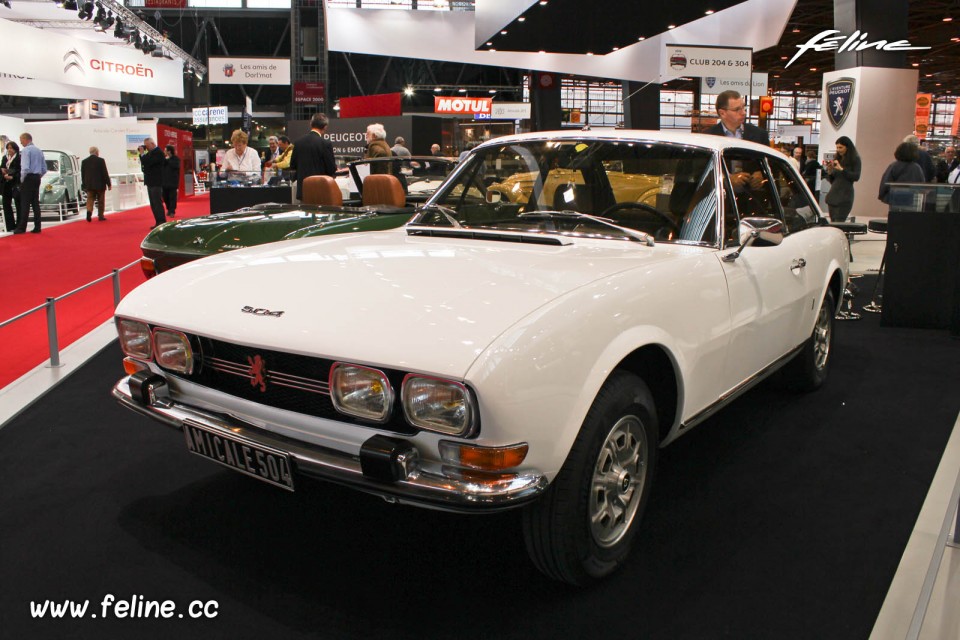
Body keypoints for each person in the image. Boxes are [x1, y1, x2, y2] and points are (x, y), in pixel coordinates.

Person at [289, 112, 337, 201]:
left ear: (310, 124)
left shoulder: (298, 142)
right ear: (325, 127)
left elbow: (292, 165)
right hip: (321, 189)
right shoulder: (325, 144)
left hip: (303, 191)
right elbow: (331, 168)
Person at [705, 90, 770, 146]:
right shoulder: (708, 137)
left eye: (743, 107)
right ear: (722, 113)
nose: (743, 113)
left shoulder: (760, 135)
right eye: (737, 109)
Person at [878, 142, 925, 212]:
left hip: (896, 198)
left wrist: (882, 195)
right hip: (913, 199)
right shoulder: (917, 168)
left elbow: (885, 182)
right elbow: (922, 184)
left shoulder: (893, 166)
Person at [823, 135, 861, 222]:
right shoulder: (838, 159)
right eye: (837, 147)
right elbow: (833, 181)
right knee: (833, 223)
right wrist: (830, 172)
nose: (838, 150)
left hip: (844, 196)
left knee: (839, 223)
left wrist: (842, 169)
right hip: (833, 196)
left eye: (841, 147)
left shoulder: (855, 159)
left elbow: (856, 177)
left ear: (847, 147)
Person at [14, 132, 45, 234]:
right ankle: (38, 226)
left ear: (26, 139)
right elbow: (44, 169)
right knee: (35, 202)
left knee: (25, 203)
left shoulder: (26, 150)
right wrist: (38, 176)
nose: (20, 142)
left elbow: (25, 168)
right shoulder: (39, 150)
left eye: (21, 140)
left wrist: (22, 180)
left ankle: (22, 227)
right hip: (36, 178)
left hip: (28, 178)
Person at [139, 138, 166, 229]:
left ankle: (162, 221)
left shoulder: (158, 153)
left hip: (156, 181)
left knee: (157, 202)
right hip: (150, 181)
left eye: (147, 145)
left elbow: (148, 162)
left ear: (152, 144)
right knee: (153, 203)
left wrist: (142, 154)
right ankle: (158, 221)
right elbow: (144, 163)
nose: (146, 147)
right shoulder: (150, 153)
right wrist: (142, 154)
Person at [80, 146, 111, 222]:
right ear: (97, 152)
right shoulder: (101, 161)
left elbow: (83, 175)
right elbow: (105, 173)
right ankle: (100, 216)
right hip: (100, 185)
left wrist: (84, 184)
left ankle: (89, 211)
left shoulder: (84, 161)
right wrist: (108, 184)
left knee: (90, 199)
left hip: (89, 185)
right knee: (101, 200)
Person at [1, 141, 20, 232]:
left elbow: (19, 170)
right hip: (6, 183)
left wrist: (12, 175)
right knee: (6, 205)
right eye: (8, 148)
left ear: (15, 149)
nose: (9, 150)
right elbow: (2, 168)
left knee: (18, 204)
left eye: (11, 148)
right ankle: (9, 225)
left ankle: (19, 225)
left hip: (15, 183)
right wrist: (3, 172)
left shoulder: (19, 158)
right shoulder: (5, 158)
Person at [161, 145, 180, 218]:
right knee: (165, 197)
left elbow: (176, 166)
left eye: (165, 150)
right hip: (164, 182)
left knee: (172, 197)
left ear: (169, 151)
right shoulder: (164, 160)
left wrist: (168, 160)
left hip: (172, 182)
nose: (164, 152)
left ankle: (172, 211)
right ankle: (168, 209)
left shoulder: (175, 159)